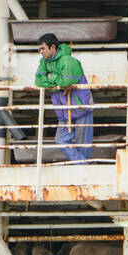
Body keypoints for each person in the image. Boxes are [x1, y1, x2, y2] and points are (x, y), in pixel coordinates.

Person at [34, 33, 94, 163]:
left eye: (43, 48)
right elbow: (38, 81)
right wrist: (58, 81)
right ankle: (84, 166)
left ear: (53, 47)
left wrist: (51, 77)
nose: (41, 52)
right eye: (40, 49)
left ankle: (83, 168)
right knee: (60, 140)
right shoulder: (44, 62)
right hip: (65, 111)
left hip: (81, 107)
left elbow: (67, 82)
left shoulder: (68, 60)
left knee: (83, 146)